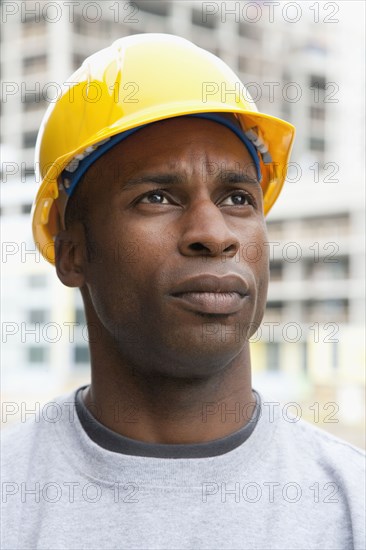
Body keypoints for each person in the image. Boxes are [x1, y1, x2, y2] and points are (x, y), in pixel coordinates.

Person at [1, 34, 364, 550]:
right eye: (157, 196)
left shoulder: (352, 504)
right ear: (73, 250)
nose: (214, 233)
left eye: (238, 197)